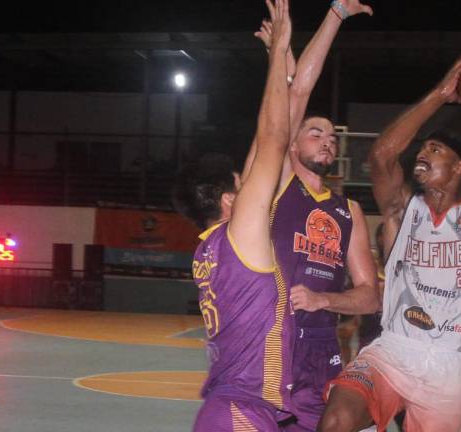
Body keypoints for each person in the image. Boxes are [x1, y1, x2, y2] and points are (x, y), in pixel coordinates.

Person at [319, 51, 461, 432]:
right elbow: (382, 156)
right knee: (337, 419)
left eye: (435, 150)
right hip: (393, 349)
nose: (422, 153)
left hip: (447, 366)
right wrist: (439, 94)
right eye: (422, 148)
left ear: (460, 167)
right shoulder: (402, 210)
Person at [248, 1, 379, 430]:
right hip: (272, 339)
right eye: (315, 132)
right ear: (290, 144)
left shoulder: (349, 211)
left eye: (332, 137)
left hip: (322, 347)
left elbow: (370, 296)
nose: (327, 140)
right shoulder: (279, 184)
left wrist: (326, 300)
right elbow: (297, 92)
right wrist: (335, 14)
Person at [177, 2, 293, 429]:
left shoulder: (209, 248)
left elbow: (263, 146)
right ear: (229, 200)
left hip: (230, 410)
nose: (251, 184)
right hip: (240, 412)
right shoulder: (239, 234)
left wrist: (280, 69)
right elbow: (274, 138)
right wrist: (279, 49)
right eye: (241, 183)